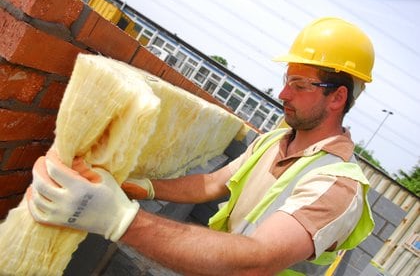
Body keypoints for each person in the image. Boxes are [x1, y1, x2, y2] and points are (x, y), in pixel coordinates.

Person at [28, 17, 375, 275]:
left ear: (337, 98)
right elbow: (213, 183)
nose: (283, 94)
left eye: (300, 85)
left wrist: (119, 219)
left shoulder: (337, 186)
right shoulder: (275, 140)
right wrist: (138, 187)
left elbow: (257, 260)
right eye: (287, 81)